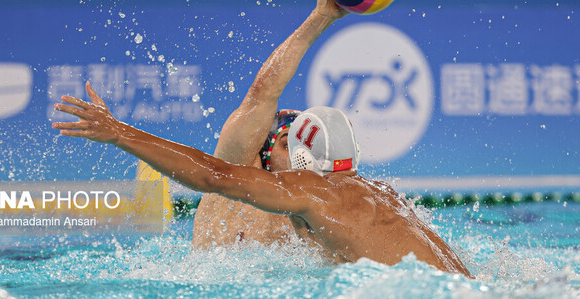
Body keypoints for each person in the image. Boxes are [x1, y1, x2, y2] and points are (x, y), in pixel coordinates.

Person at [52, 94, 471, 276]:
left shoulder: (313, 192)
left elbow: (210, 175)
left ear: (304, 158)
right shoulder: (383, 193)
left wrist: (119, 133)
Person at [190, 0, 347, 248]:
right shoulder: (229, 182)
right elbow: (262, 93)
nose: (302, 156)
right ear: (261, 157)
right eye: (288, 145)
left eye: (307, 148)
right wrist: (320, 18)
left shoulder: (318, 215)